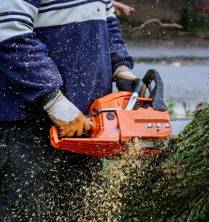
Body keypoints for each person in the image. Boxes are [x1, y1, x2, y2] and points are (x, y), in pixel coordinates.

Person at [0, 0, 143, 220]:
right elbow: (10, 35)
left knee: (79, 209)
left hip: (84, 121)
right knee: (25, 211)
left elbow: (107, 21)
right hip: (28, 123)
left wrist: (120, 65)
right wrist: (52, 99)